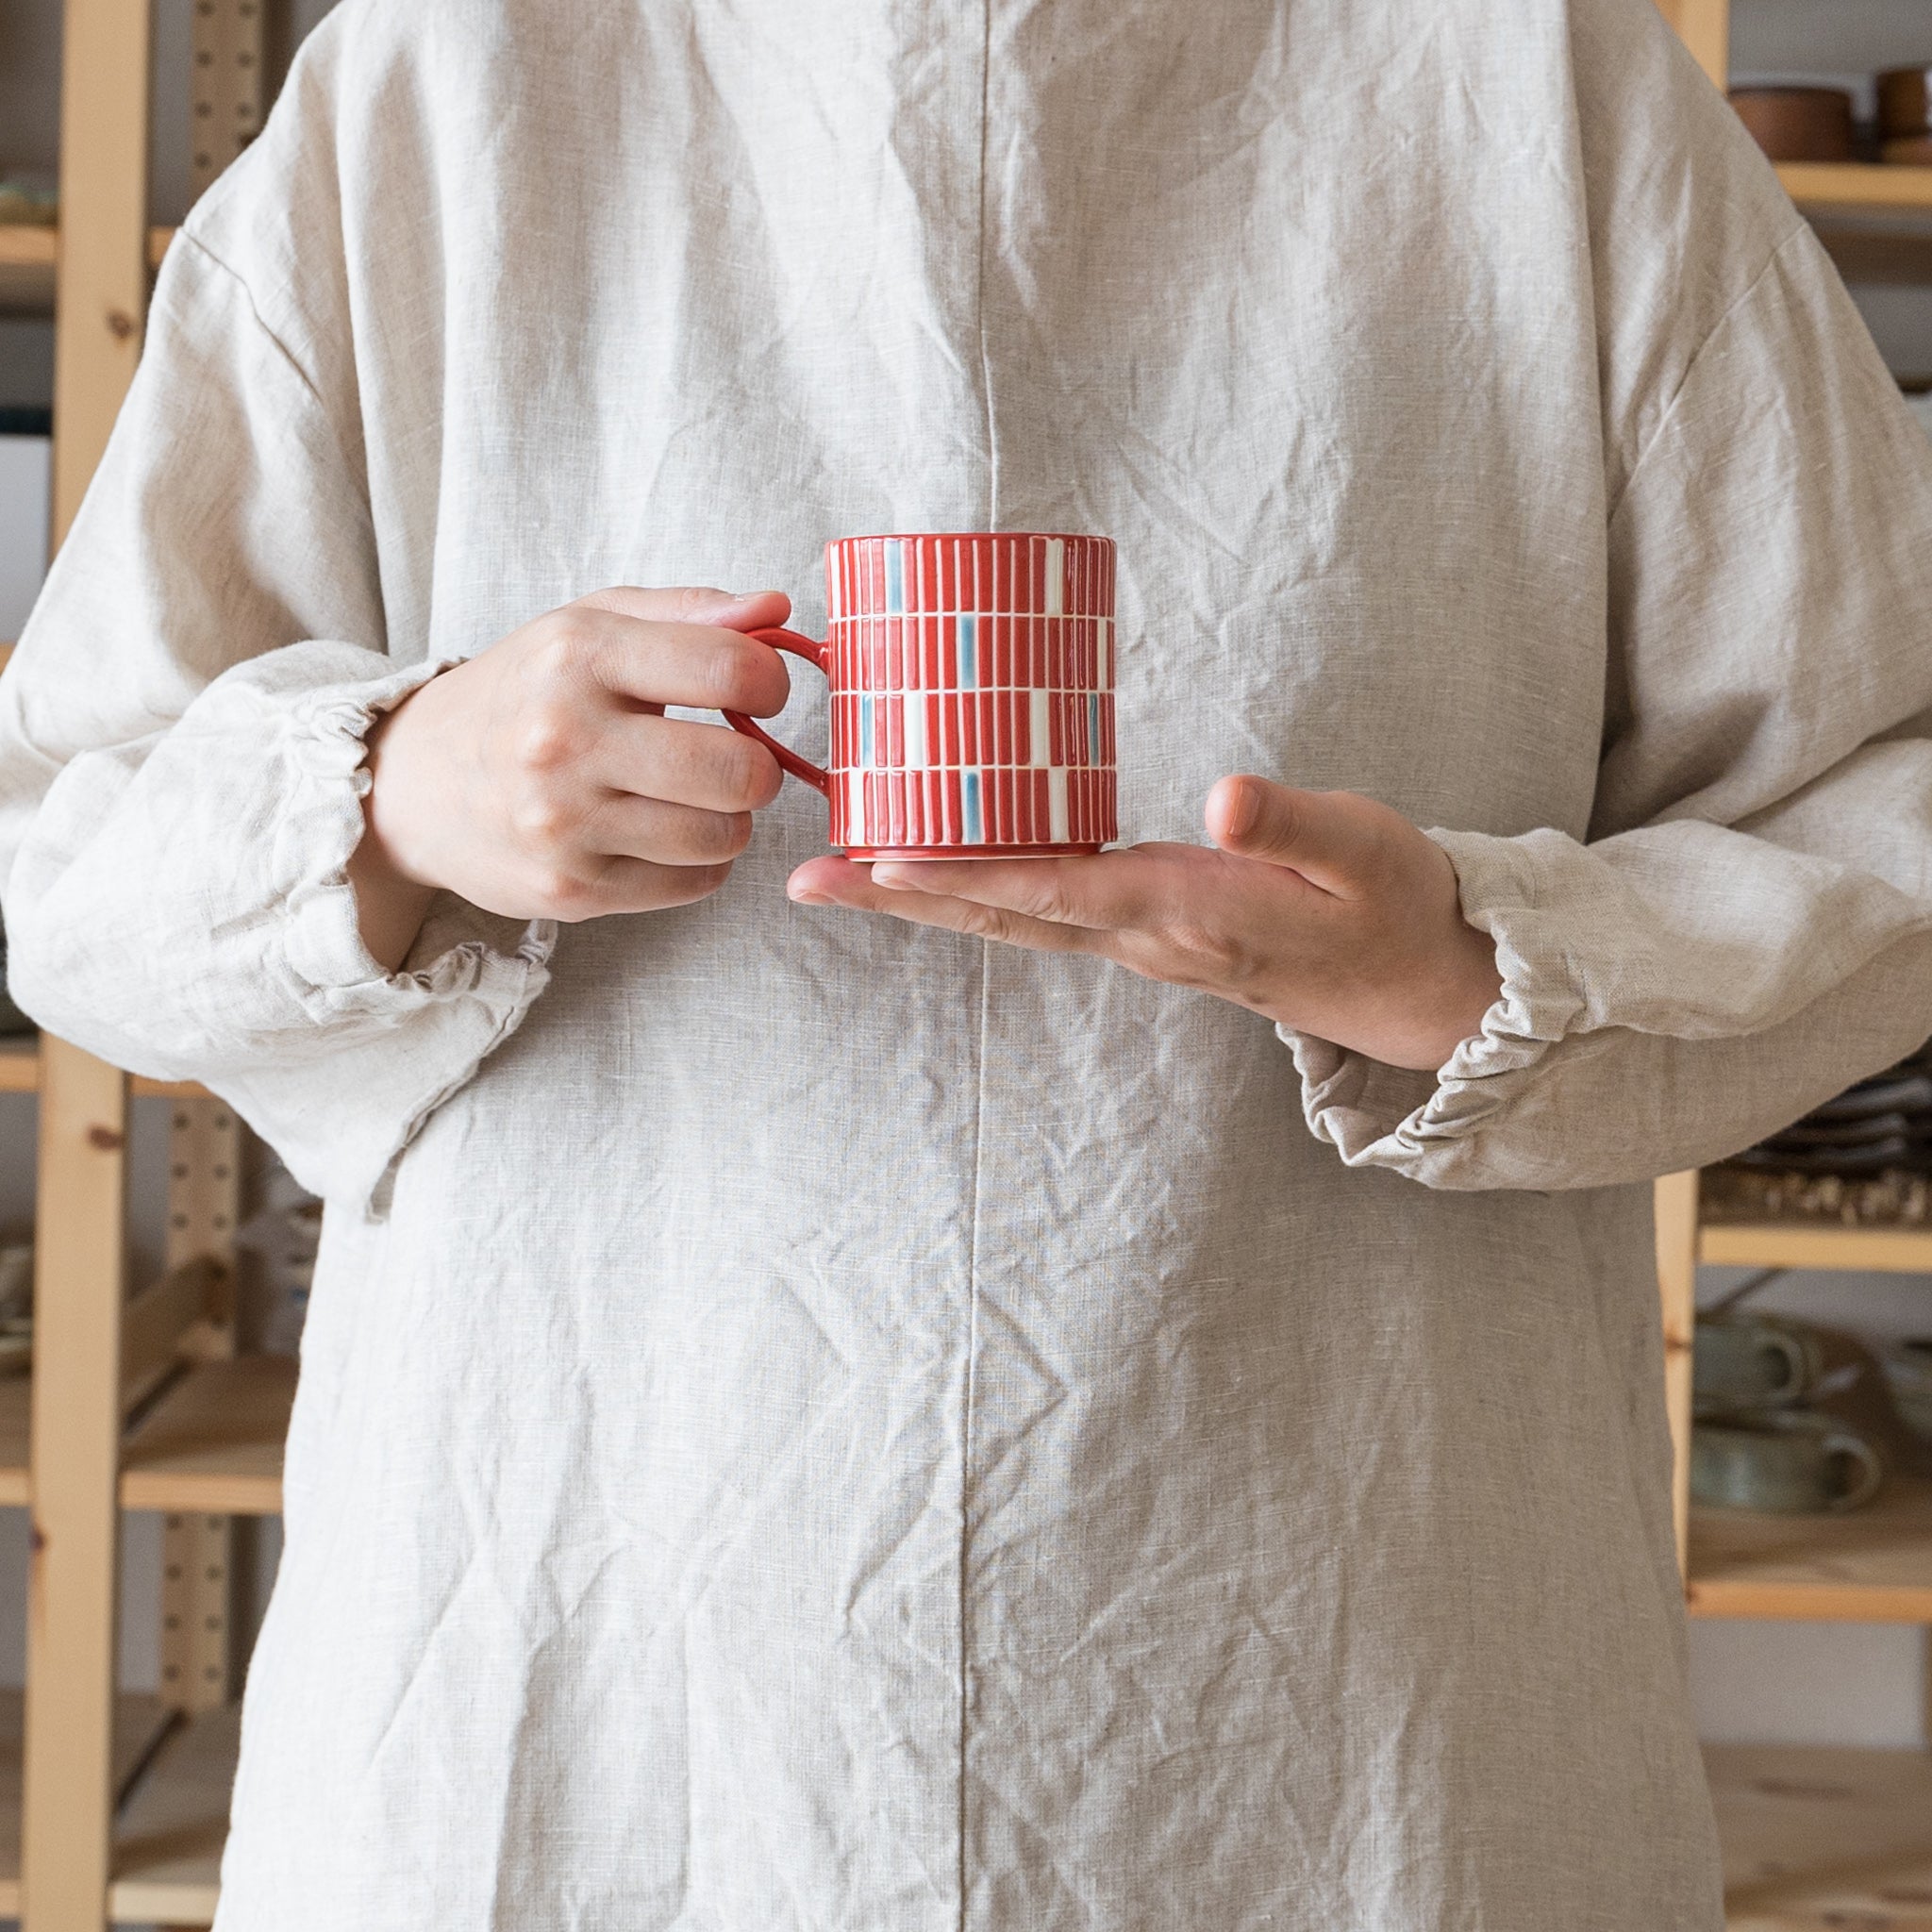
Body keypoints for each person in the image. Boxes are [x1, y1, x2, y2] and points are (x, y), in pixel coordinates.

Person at [3, 0, 1930, 1924]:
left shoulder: (1534, 81)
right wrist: (399, 788)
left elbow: (1878, 795)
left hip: (1346, 1660)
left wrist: (1468, 965)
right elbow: (67, 857)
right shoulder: (444, 80)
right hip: (596, 1626)